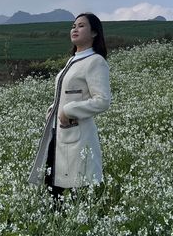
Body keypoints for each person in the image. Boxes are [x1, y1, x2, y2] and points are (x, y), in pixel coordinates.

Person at [29, 13, 111, 204]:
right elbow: (66, 94)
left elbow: (102, 100)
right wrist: (54, 108)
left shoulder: (95, 62)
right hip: (58, 135)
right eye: (73, 25)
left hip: (78, 137)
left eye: (81, 26)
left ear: (94, 33)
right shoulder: (73, 60)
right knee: (54, 192)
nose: (75, 29)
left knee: (75, 192)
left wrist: (68, 110)